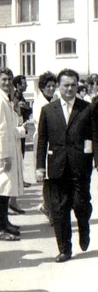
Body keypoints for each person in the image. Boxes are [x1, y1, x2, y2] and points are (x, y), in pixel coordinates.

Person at [36, 69, 98, 262]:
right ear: (58, 87)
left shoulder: (87, 108)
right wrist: (39, 167)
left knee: (80, 204)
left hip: (80, 166)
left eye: (73, 85)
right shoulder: (48, 110)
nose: (69, 89)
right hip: (57, 166)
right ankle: (65, 249)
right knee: (59, 209)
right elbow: (42, 140)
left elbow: (96, 138)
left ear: (78, 86)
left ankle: (84, 227)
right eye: (66, 85)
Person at [0, 68, 29, 241]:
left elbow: (9, 129)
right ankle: (1, 227)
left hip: (9, 149)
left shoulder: (6, 99)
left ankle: (5, 222)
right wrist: (3, 156)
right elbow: (1, 130)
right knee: (2, 191)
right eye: (3, 79)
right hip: (4, 153)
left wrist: (21, 130)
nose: (7, 82)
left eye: (9, 79)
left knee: (5, 190)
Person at [32, 71, 57, 223]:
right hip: (43, 141)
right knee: (47, 178)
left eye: (53, 86)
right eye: (48, 86)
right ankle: (49, 209)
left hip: (54, 142)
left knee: (53, 178)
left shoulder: (54, 99)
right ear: (42, 87)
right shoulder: (39, 103)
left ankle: (47, 206)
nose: (51, 89)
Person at [10, 74, 32, 213]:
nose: (26, 86)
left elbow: (27, 110)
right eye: (23, 83)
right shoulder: (15, 96)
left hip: (21, 129)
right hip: (16, 130)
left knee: (20, 157)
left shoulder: (18, 96)